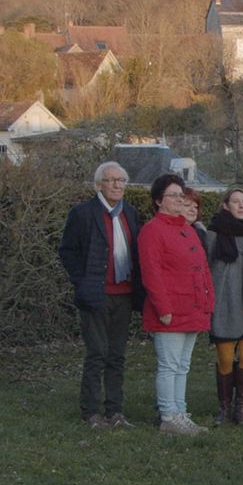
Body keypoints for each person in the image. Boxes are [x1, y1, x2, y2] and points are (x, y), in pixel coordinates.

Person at [58, 161, 143, 430]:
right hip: (96, 294)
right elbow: (67, 251)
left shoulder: (130, 213)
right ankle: (91, 412)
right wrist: (82, 282)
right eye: (111, 180)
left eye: (121, 180)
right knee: (97, 353)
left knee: (117, 355)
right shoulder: (83, 213)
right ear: (99, 185)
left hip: (124, 294)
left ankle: (115, 412)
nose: (117, 185)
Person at [139, 174, 215, 436]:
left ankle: (180, 412)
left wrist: (207, 303)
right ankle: (168, 415)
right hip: (171, 311)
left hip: (192, 308)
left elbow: (202, 270)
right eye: (173, 196)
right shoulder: (152, 230)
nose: (179, 200)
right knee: (169, 365)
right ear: (159, 200)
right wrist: (164, 309)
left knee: (183, 365)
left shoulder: (186, 229)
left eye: (181, 196)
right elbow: (152, 273)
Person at [204, 187, 243, 424]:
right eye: (235, 202)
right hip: (225, 303)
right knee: (226, 358)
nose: (241, 205)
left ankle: (242, 408)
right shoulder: (213, 233)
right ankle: (224, 408)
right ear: (225, 206)